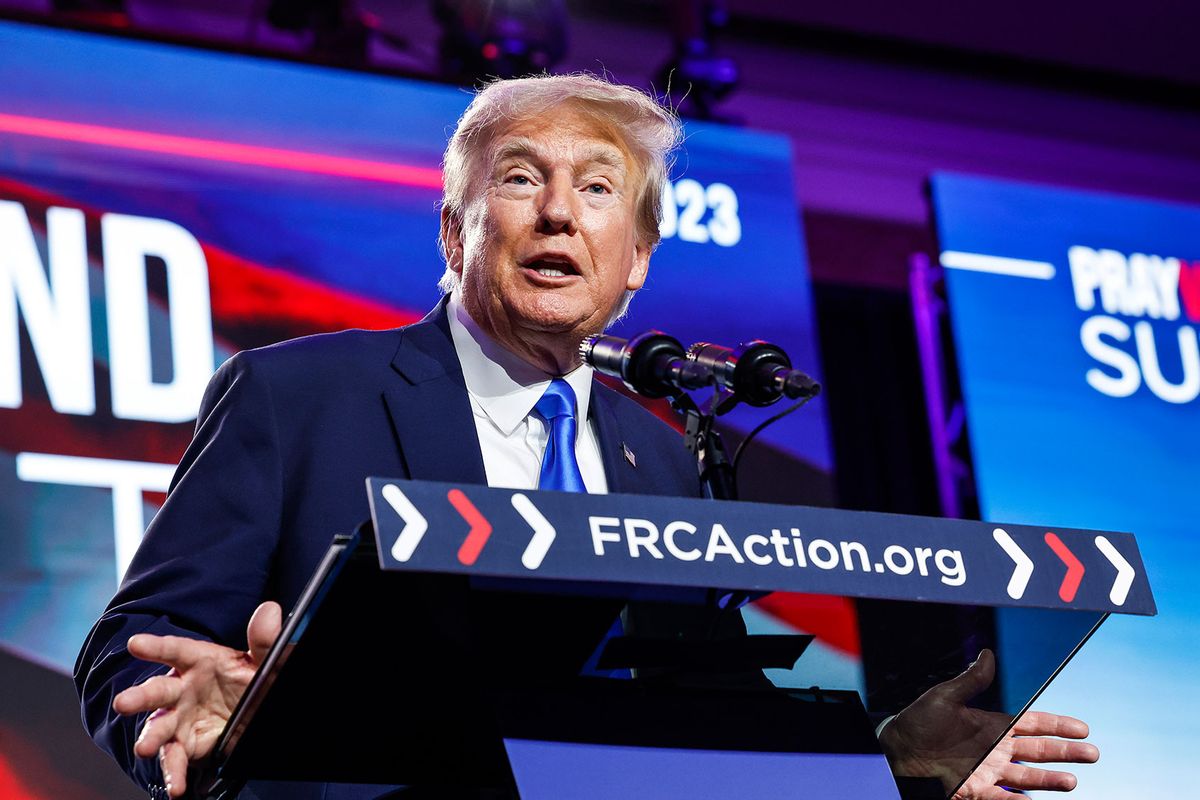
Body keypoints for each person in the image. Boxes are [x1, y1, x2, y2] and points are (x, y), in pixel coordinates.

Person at [76, 73, 1097, 800]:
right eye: (521, 178)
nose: (560, 212)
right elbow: (126, 659)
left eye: (599, 188)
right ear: (453, 231)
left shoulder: (667, 459)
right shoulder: (294, 394)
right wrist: (208, 724)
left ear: (638, 258)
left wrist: (885, 761)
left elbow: (706, 727)